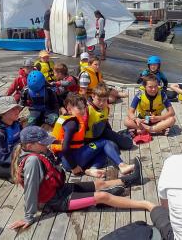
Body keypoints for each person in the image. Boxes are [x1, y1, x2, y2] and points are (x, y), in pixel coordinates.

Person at [8, 126, 153, 230]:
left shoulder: (37, 152)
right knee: (103, 196)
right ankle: (145, 204)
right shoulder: (32, 161)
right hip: (57, 202)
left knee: (100, 183)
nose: (47, 144)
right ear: (30, 146)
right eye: (42, 143)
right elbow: (31, 189)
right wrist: (28, 216)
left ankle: (132, 179)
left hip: (61, 189)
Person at [51, 93, 134, 178]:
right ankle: (122, 165)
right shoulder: (72, 124)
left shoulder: (66, 118)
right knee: (105, 142)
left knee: (103, 150)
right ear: (69, 109)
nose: (83, 111)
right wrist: (74, 166)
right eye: (79, 108)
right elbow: (65, 148)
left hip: (67, 158)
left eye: (84, 107)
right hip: (70, 160)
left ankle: (92, 169)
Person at [85, 83, 133, 150]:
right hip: (88, 139)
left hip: (102, 132)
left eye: (104, 100)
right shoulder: (86, 110)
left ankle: (121, 136)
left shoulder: (106, 108)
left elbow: (105, 122)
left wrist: (112, 134)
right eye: (99, 99)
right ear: (93, 96)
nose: (101, 103)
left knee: (128, 144)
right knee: (108, 149)